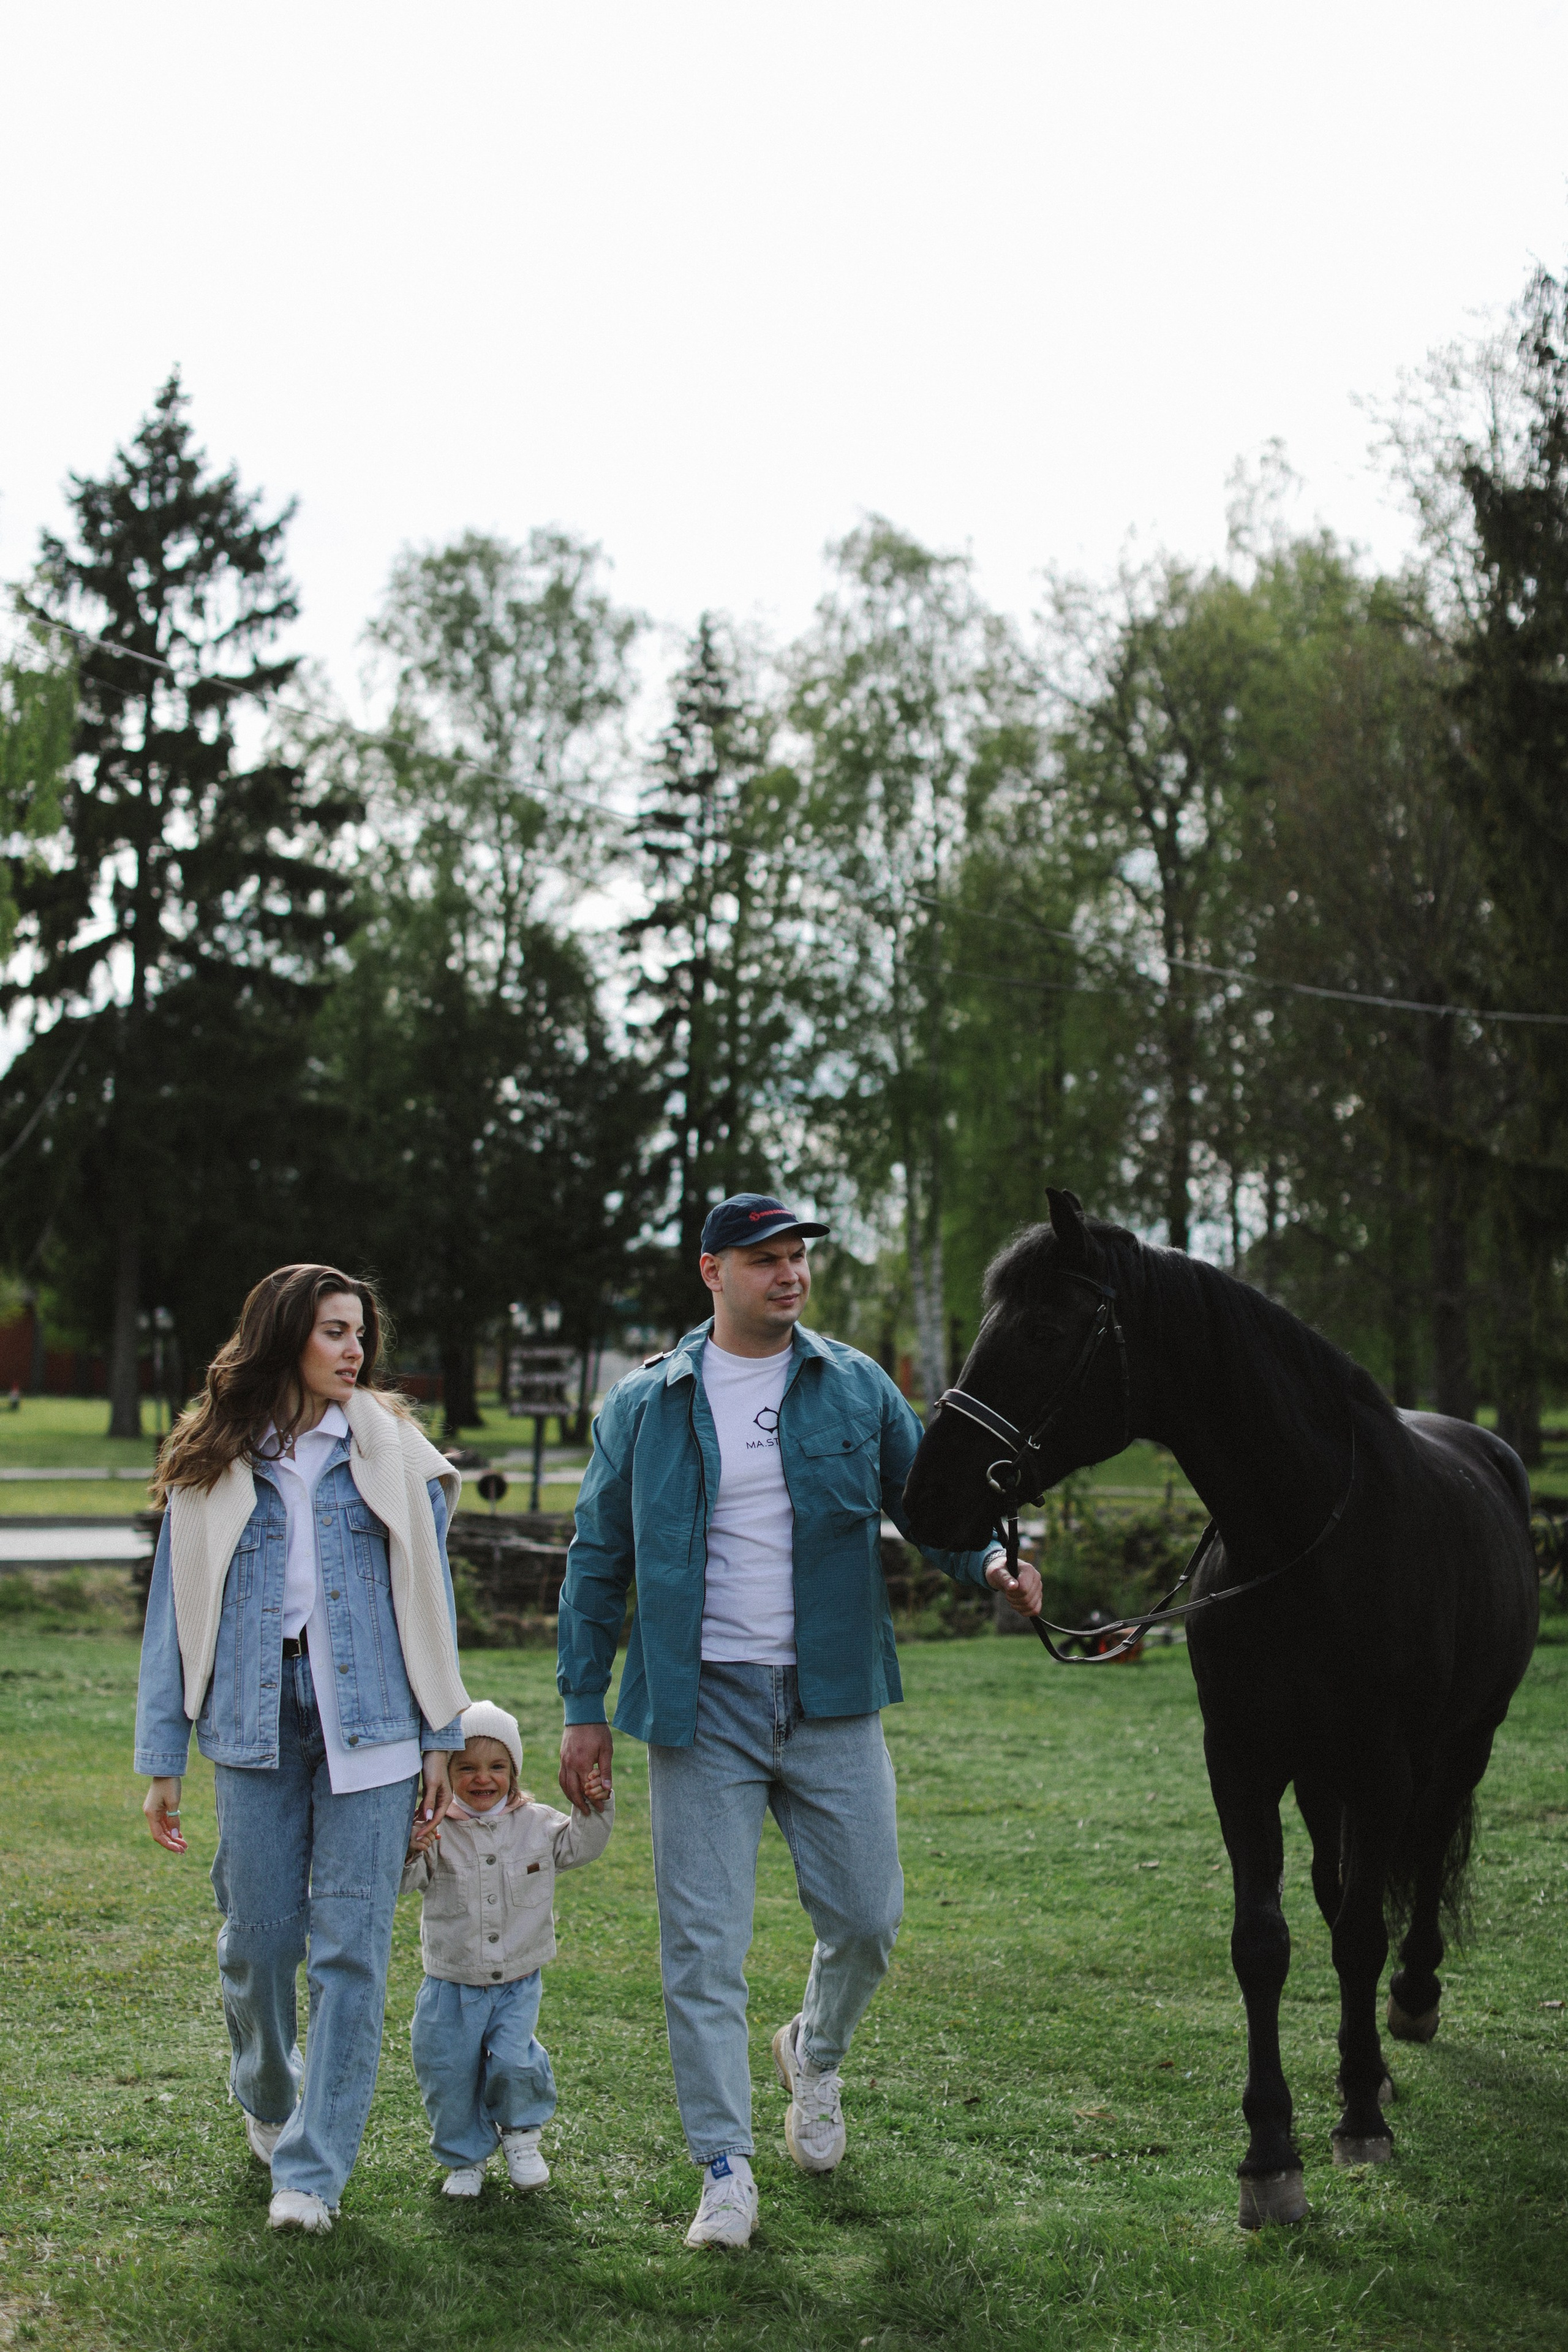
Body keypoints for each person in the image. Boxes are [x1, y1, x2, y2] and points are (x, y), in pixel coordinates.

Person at [556, 1194, 1042, 2248]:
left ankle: (812, 2057)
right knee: (701, 1950)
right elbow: (599, 1559)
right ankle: (724, 2169)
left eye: (797, 1259)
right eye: (765, 1260)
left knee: (868, 1920)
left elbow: (924, 1505)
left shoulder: (854, 1386)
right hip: (699, 1709)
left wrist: (993, 1562)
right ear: (711, 1274)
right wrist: (581, 1708)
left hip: (830, 1698)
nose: (790, 1275)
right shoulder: (645, 1404)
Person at [134, 1264, 470, 2235]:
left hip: (374, 1720)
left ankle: (313, 2175)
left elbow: (430, 1599)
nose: (355, 1350)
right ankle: (267, 2089)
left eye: (360, 1332)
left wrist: (442, 1734)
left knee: (351, 1953)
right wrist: (164, 1752)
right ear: (286, 1336)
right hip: (250, 1715)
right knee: (261, 1937)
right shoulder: (216, 1457)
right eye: (334, 1331)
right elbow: (174, 1612)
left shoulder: (393, 1449)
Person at [400, 1699, 614, 2197]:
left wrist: (594, 1804)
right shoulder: (436, 1830)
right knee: (446, 2071)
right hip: (450, 1982)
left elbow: (581, 1846)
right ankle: (464, 2158)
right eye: (466, 1768)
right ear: (446, 1772)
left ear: (514, 1770)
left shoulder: (538, 1824)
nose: (482, 1778)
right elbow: (407, 1881)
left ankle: (522, 2136)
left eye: (497, 1766)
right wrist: (410, 1846)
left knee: (514, 2060)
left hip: (518, 1980)